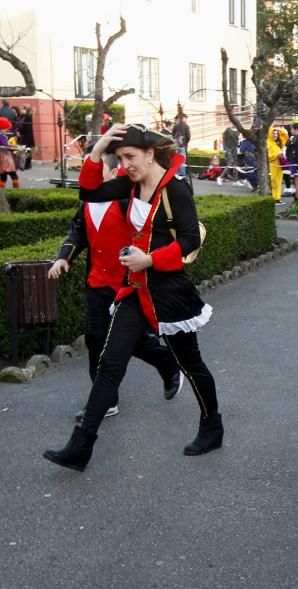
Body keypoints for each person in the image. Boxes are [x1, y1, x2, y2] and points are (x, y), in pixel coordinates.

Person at [43, 123, 223, 471]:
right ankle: (81, 446)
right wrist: (97, 152)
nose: (125, 164)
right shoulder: (130, 183)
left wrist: (152, 259)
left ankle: (212, 426)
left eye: (131, 156)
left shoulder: (176, 188)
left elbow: (190, 240)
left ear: (151, 153)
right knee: (110, 363)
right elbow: (89, 193)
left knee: (191, 364)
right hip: (135, 288)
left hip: (170, 293)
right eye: (121, 157)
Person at [48, 152, 182, 422]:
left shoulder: (127, 200)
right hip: (96, 283)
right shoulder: (87, 201)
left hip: (126, 285)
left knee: (130, 341)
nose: (88, 173)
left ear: (112, 173)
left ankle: (168, 364)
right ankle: (107, 401)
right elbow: (77, 230)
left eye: (96, 168)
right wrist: (63, 257)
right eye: (86, 167)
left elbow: (152, 234)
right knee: (95, 339)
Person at [266, 126, 288, 203]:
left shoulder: (278, 142)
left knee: (278, 182)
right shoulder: (268, 143)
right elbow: (267, 156)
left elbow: (285, 136)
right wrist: (276, 156)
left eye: (276, 133)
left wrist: (280, 130)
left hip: (279, 165)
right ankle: (273, 198)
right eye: (273, 133)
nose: (275, 135)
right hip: (273, 166)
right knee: (273, 182)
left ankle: (277, 198)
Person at [0, 117, 20, 189]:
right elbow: (5, 146)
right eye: (6, 128)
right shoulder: (1, 135)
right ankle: (16, 191)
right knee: (13, 174)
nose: (7, 130)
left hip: (1, 158)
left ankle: (2, 192)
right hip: (5, 157)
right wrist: (15, 147)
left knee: (3, 176)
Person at [171, 114, 191, 178]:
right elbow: (188, 136)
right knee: (182, 160)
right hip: (183, 146)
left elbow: (172, 136)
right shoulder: (186, 126)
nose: (186, 120)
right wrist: (185, 143)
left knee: (175, 160)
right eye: (185, 118)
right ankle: (182, 175)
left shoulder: (175, 126)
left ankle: (175, 174)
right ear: (182, 118)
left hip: (176, 145)